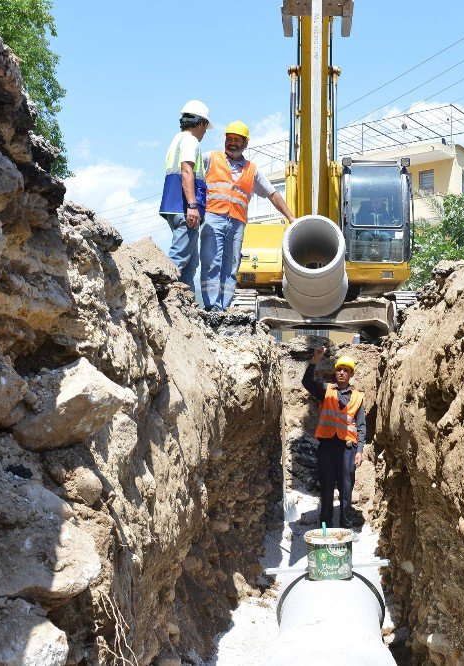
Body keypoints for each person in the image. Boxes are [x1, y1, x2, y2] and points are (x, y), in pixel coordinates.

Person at [200, 121, 295, 311]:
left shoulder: (252, 170)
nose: (232, 143)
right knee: (212, 262)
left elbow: (272, 194)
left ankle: (223, 307)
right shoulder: (210, 158)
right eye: (229, 139)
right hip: (213, 218)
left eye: (237, 140)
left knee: (231, 266)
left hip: (237, 223)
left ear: (245, 144)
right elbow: (189, 174)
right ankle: (212, 307)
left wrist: (291, 218)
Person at [303, 347, 366, 529]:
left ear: (351, 374)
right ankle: (325, 527)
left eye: (346, 370)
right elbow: (307, 382)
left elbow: (361, 426)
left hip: (348, 449)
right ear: (335, 372)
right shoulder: (326, 390)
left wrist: (360, 451)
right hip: (327, 447)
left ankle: (345, 527)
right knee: (327, 487)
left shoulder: (357, 397)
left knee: (347, 490)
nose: (341, 372)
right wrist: (315, 360)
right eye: (339, 369)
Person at [158, 100, 212, 294]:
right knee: (179, 256)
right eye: (206, 127)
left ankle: (185, 302)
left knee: (190, 261)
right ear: (201, 123)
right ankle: (160, 291)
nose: (205, 132)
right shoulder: (191, 141)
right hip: (183, 207)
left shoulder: (176, 139)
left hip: (173, 206)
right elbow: (187, 171)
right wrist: (192, 205)